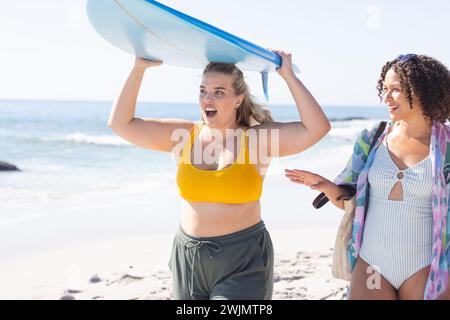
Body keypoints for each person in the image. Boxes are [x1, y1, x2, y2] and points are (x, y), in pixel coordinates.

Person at [108, 50, 331, 300]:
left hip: (242, 258)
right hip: (189, 256)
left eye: (218, 92)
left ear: (238, 99)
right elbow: (121, 124)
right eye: (203, 91)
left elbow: (317, 128)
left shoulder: (257, 140)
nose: (207, 99)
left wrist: (287, 75)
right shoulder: (184, 135)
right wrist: (139, 68)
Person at [285, 54, 450, 300]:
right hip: (372, 265)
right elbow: (350, 204)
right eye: (384, 89)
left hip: (426, 266)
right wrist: (327, 187)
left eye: (396, 89)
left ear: (423, 90)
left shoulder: (446, 146)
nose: (386, 97)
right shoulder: (373, 139)